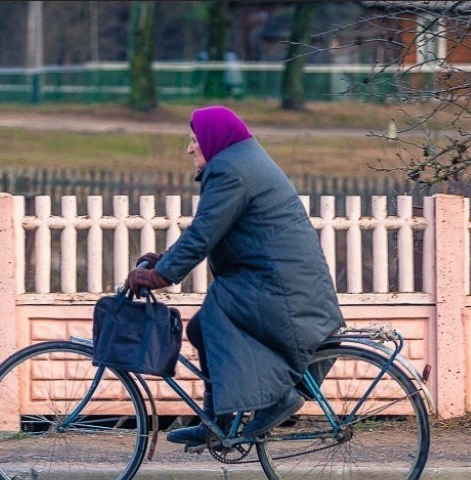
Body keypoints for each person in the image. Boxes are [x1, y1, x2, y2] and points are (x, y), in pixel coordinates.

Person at [124, 105, 344, 448]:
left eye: (194, 140)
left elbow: (202, 235)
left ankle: (276, 400)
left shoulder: (230, 170)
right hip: (279, 281)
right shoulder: (239, 162)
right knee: (200, 327)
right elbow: (211, 230)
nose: (189, 148)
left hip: (278, 288)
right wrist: (163, 261)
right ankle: (217, 421)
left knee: (213, 320)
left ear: (212, 140)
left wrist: (158, 276)